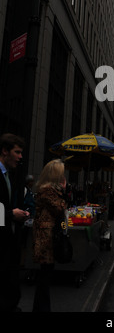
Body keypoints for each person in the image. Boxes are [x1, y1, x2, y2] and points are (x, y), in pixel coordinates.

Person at [32, 159, 67, 312]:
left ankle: (40, 308)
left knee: (45, 278)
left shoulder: (50, 190)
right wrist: (64, 189)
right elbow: (60, 207)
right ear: (56, 175)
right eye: (61, 174)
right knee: (44, 279)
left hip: (48, 238)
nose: (64, 177)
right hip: (46, 240)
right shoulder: (48, 191)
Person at [0, 133, 29, 312]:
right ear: (4, 151)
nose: (20, 157)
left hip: (8, 241)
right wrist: (11, 214)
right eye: (17, 152)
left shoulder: (9, 175)